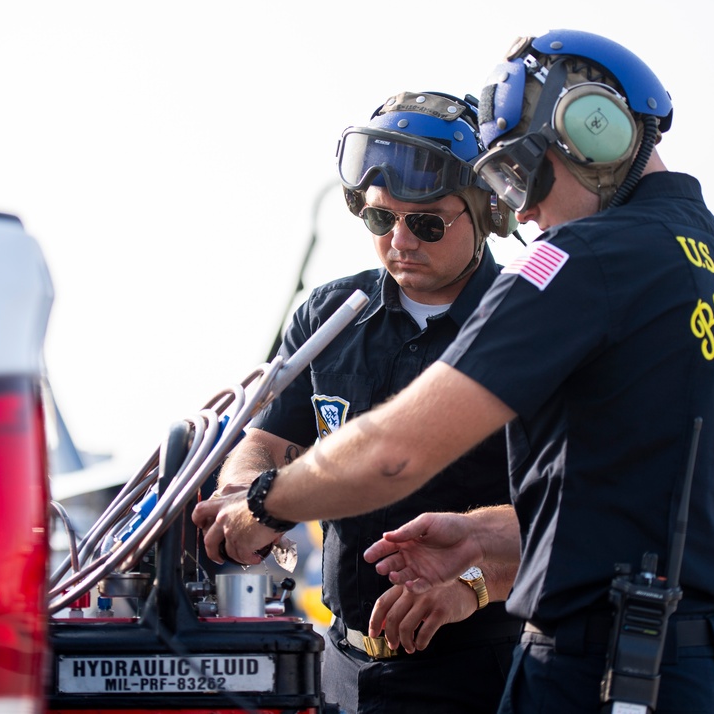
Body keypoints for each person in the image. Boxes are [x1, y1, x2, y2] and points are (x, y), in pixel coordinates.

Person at [195, 29, 714, 714]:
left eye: (522, 173)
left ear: (592, 135)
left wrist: (264, 502)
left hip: (599, 671)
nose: (525, 212)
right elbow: (640, 508)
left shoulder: (580, 262)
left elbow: (396, 454)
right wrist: (483, 541)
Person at [199, 90, 524, 714]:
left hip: (484, 672)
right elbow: (266, 441)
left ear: (485, 213)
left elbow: (566, 501)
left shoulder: (529, 319)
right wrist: (244, 497)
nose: (400, 240)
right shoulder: (328, 317)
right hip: (340, 668)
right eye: (380, 220)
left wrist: (476, 581)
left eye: (426, 223)